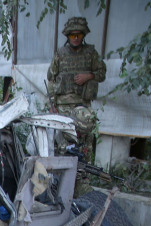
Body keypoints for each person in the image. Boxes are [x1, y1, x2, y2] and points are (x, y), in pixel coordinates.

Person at [46, 16, 106, 160]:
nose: (76, 38)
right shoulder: (60, 54)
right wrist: (51, 105)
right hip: (62, 107)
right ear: (68, 36)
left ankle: (82, 177)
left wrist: (89, 76)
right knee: (62, 145)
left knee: (84, 143)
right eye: (73, 35)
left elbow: (102, 73)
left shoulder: (91, 54)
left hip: (82, 106)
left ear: (83, 35)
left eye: (79, 35)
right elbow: (52, 79)